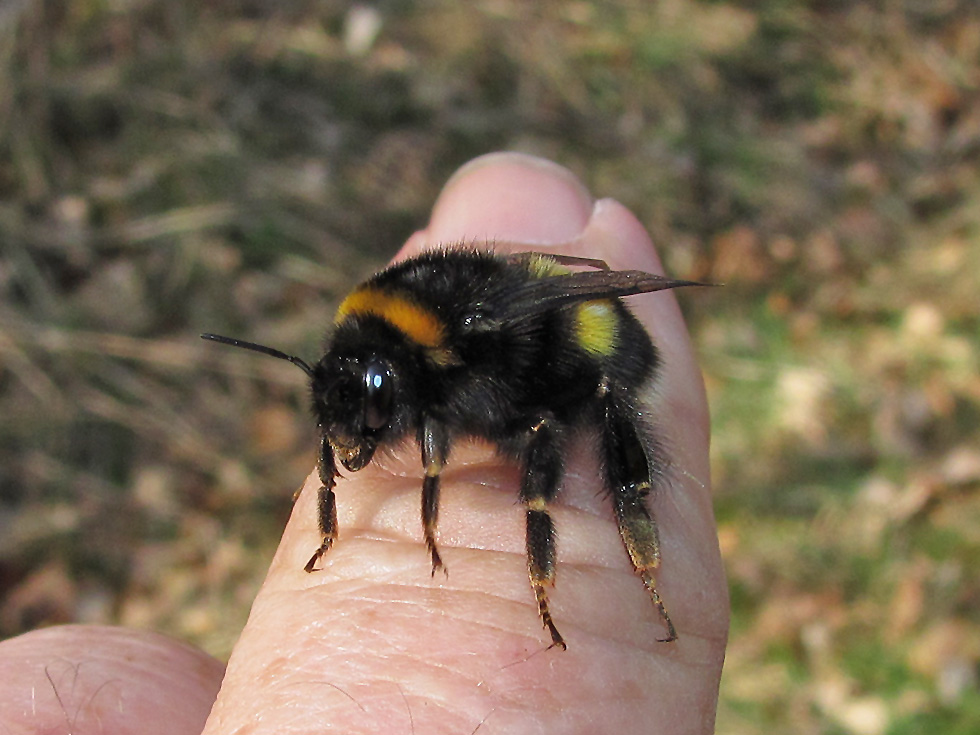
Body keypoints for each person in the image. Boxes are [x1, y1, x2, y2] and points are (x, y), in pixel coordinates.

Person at [0, 153, 728, 734]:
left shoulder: (451, 342)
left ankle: (606, 554)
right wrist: (334, 504)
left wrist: (446, 522)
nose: (353, 438)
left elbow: (455, 414)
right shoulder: (381, 347)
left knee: (556, 425)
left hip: (582, 340)